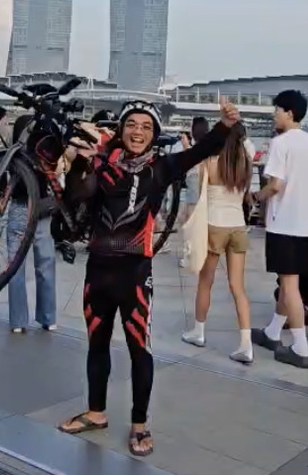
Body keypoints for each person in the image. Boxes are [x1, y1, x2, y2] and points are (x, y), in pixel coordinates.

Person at [57, 98, 240, 457]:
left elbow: (204, 148)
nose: (137, 131)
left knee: (139, 348)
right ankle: (96, 413)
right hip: (98, 270)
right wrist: (79, 160)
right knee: (96, 344)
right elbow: (76, 195)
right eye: (131, 125)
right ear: (121, 130)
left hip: (134, 274)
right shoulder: (104, 166)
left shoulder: (161, 167)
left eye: (145, 127)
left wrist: (226, 124)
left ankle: (140, 424)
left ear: (154, 134)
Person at [252, 90, 308, 369]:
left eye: (277, 110)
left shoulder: (281, 143)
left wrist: (257, 197)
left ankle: (300, 348)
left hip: (283, 224)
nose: (274, 115)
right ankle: (272, 332)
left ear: (289, 113)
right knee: (287, 280)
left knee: (290, 286)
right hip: (303, 225)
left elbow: (275, 185)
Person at [182, 122, 254, 364]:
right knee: (238, 286)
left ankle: (198, 331)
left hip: (214, 225)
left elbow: (197, 185)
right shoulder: (246, 164)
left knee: (206, 282)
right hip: (238, 226)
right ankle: (246, 343)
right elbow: (244, 196)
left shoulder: (210, 163)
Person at [6, 114, 57, 334]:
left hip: (18, 208)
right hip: (41, 210)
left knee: (15, 267)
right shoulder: (42, 154)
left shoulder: (14, 153)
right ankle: (48, 317)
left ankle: (18, 321)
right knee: (45, 265)